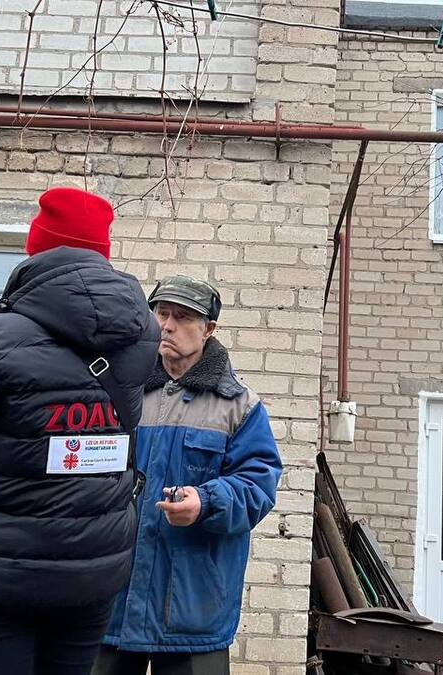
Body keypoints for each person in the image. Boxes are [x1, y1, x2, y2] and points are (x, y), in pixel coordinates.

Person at [0, 186, 159, 675]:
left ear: (36, 247)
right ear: (102, 253)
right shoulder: (143, 336)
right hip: (94, 565)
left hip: (2, 567)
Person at [93, 275, 283, 675]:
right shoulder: (120, 391)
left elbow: (258, 483)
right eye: (161, 313)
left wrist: (207, 502)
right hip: (112, 596)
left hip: (191, 602)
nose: (167, 325)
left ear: (209, 329)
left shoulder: (239, 406)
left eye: (182, 317)